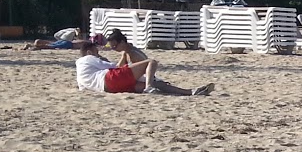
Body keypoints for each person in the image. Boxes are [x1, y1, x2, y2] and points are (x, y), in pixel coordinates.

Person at [74, 42, 213, 96]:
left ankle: (191, 92)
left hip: (108, 88)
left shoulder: (80, 73)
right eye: (96, 52)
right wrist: (122, 56)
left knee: (155, 84)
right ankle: (149, 87)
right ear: (89, 52)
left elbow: (83, 88)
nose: (99, 55)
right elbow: (115, 68)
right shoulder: (88, 59)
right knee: (151, 62)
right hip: (109, 79)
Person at [103, 29, 211, 96]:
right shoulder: (126, 52)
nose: (113, 49)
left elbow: (143, 68)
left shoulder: (133, 53)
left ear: (122, 42)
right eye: (112, 47)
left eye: (115, 46)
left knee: (163, 87)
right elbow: (120, 68)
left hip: (147, 77)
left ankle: (191, 92)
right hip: (142, 78)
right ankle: (192, 92)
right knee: (164, 89)